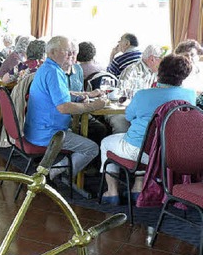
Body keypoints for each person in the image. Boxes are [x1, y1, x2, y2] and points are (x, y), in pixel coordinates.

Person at [99, 54, 196, 204]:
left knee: (107, 142)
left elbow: (129, 116)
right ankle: (138, 187)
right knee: (147, 144)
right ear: (184, 76)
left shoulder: (143, 95)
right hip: (168, 153)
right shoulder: (190, 95)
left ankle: (112, 192)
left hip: (140, 152)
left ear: (160, 71)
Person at [23, 36, 106, 181]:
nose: (71, 55)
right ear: (53, 52)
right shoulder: (53, 72)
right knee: (91, 148)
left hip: (35, 129)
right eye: (67, 51)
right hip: (48, 134)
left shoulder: (47, 68)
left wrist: (84, 95)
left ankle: (57, 169)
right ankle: (53, 174)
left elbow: (61, 95)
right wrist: (94, 105)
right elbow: (63, 107)